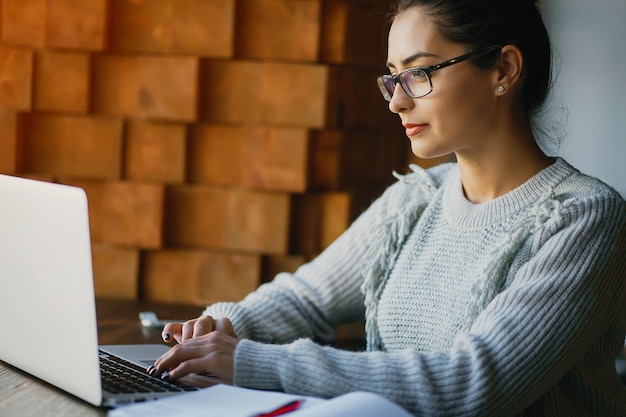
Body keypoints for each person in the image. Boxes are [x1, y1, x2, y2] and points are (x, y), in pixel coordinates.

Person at [148, 0, 626, 415]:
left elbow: (475, 385)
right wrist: (224, 327)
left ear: (503, 70)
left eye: (417, 74)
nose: (396, 101)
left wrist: (251, 362)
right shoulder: (415, 199)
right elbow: (306, 297)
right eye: (392, 78)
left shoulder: (584, 217)